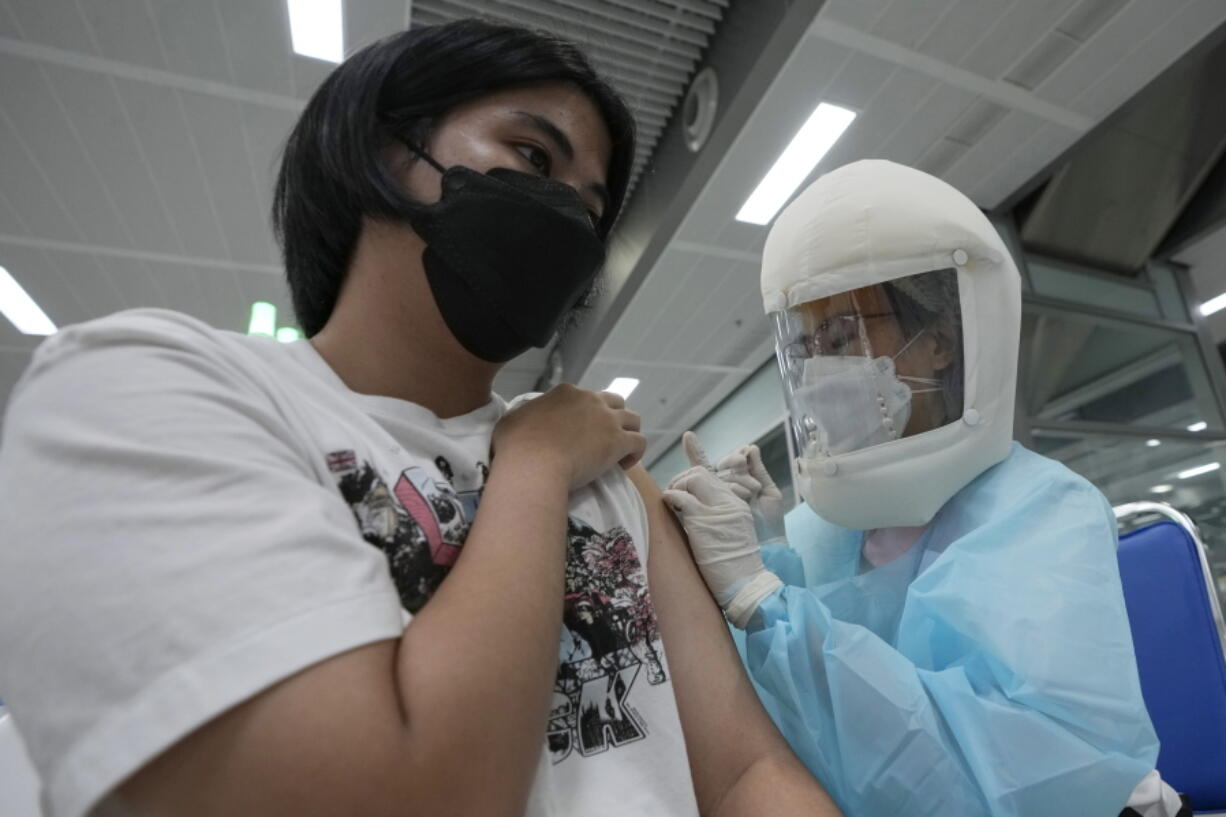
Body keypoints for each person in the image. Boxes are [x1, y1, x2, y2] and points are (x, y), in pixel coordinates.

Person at [0, 20, 839, 817]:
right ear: (380, 149)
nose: (568, 221)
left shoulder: (615, 476)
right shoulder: (149, 387)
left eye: (590, 206)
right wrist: (536, 463)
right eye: (531, 153)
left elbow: (744, 771)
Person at [664, 159, 1186, 817]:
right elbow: (799, 741)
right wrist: (769, 558)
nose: (820, 368)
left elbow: (1004, 782)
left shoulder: (1042, 510)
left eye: (845, 331)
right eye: (807, 344)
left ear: (940, 340)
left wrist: (768, 603)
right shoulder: (822, 528)